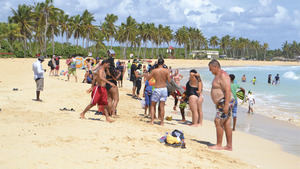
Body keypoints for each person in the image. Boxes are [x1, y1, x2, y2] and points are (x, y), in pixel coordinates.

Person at [208, 59, 234, 151]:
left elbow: (228, 90)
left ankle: (219, 144)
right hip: (221, 102)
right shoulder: (218, 75)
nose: (210, 71)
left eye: (211, 69)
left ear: (216, 67)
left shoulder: (223, 75)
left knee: (218, 121)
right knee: (226, 123)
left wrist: (226, 105)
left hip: (224, 102)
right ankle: (229, 146)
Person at [146, 58, 171, 125]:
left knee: (153, 105)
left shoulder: (154, 71)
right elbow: (169, 81)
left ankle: (152, 121)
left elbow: (148, 78)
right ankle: (162, 122)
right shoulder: (167, 71)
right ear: (163, 63)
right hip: (164, 89)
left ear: (157, 63)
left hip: (157, 88)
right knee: (162, 106)